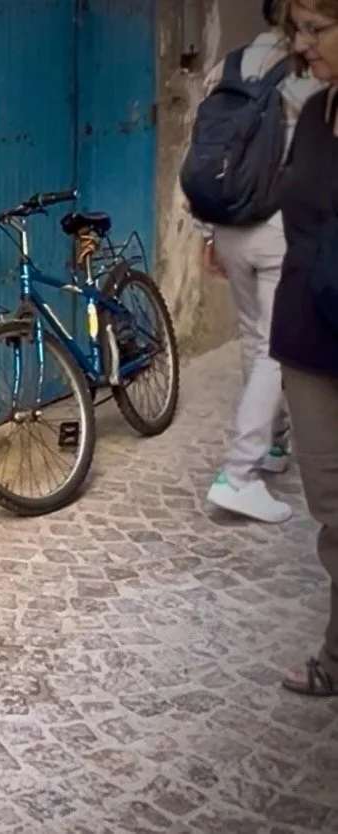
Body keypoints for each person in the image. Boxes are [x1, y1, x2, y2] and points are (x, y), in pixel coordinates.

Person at [199, 0, 324, 523]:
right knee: (277, 350)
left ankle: (272, 444)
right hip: (277, 226)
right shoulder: (306, 76)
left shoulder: (225, 67)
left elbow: (208, 149)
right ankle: (240, 472)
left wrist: (207, 231)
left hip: (229, 222)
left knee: (254, 339)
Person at [274, 0, 338, 697]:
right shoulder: (318, 115)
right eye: (299, 28)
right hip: (312, 346)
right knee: (334, 512)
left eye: (316, 28)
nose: (301, 43)